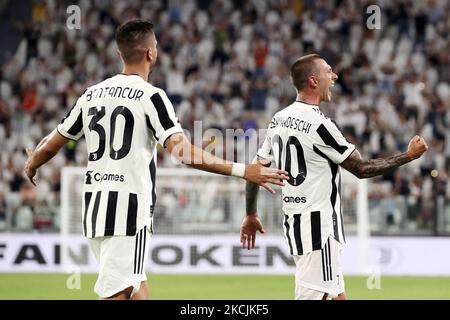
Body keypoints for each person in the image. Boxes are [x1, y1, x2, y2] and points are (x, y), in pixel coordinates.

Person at [23, 20, 288, 300]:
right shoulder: (151, 97)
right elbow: (182, 152)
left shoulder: (91, 94)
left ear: (120, 54)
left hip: (95, 211)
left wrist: (32, 163)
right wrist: (242, 170)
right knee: (118, 293)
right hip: (128, 211)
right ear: (151, 53)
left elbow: (50, 145)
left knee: (138, 290)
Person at [240, 54, 428, 300]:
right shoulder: (321, 126)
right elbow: (361, 169)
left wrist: (251, 214)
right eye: (329, 71)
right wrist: (408, 156)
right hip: (319, 230)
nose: (335, 76)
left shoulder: (279, 118)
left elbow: (255, 171)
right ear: (313, 81)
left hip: (297, 225)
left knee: (337, 297)